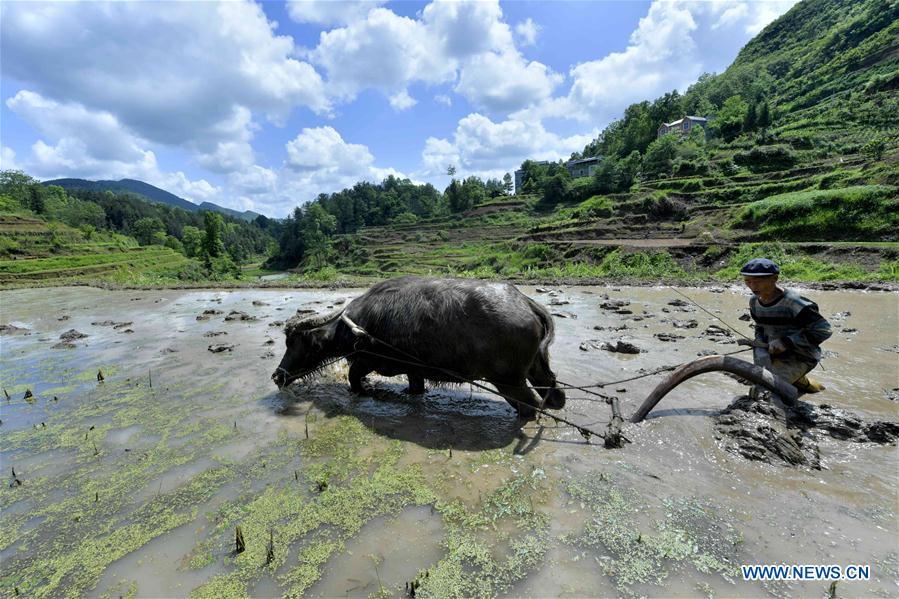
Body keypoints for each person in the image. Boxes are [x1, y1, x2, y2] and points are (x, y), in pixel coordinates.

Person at [740, 258, 832, 401]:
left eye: (757, 281)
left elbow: (823, 330)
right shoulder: (754, 301)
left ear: (774, 279)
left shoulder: (794, 303)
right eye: (747, 281)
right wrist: (760, 342)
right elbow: (760, 327)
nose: (752, 286)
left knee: (764, 390)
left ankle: (793, 385)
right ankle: (799, 381)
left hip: (800, 356)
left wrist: (786, 342)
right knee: (761, 379)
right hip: (771, 354)